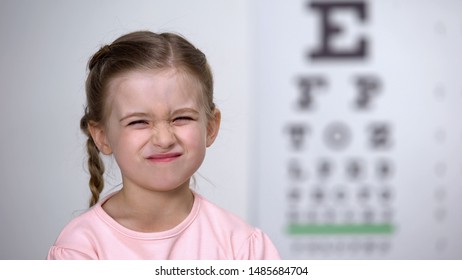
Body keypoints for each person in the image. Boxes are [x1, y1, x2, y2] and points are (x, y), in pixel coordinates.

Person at [47, 30, 280, 260]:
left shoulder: (243, 248)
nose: (164, 139)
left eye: (181, 118)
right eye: (139, 122)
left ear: (210, 127)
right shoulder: (80, 250)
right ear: (102, 136)